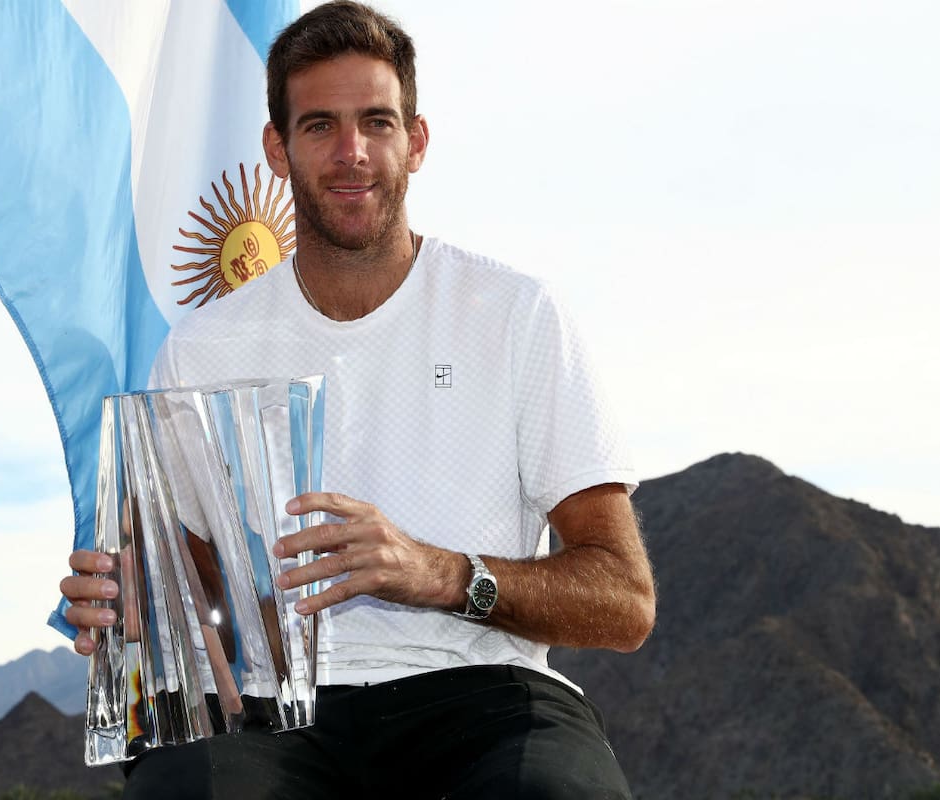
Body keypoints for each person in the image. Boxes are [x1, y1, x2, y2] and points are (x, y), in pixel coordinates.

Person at [61, 3, 655, 797]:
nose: (352, 153)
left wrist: (438, 573)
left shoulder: (515, 314)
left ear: (416, 140)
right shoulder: (200, 352)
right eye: (319, 126)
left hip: (485, 692)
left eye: (376, 121)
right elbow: (199, 596)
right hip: (277, 712)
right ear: (278, 148)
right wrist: (137, 601)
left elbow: (623, 600)